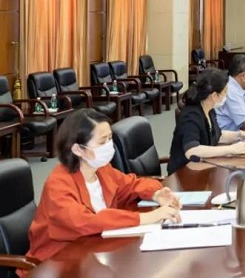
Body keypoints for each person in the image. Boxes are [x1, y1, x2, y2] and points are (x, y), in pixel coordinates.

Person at [26, 109, 183, 265]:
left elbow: (131, 184)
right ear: (78, 149)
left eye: (110, 138)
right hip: (56, 262)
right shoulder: (58, 184)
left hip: (94, 252)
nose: (109, 146)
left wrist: (156, 193)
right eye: (102, 142)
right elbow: (85, 222)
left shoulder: (101, 169)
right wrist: (147, 218)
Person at [167, 68, 245, 174]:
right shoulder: (191, 116)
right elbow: (191, 151)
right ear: (214, 95)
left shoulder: (209, 109)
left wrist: (242, 135)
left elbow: (217, 135)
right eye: (225, 91)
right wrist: (230, 149)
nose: (227, 95)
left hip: (202, 168)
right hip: (183, 174)